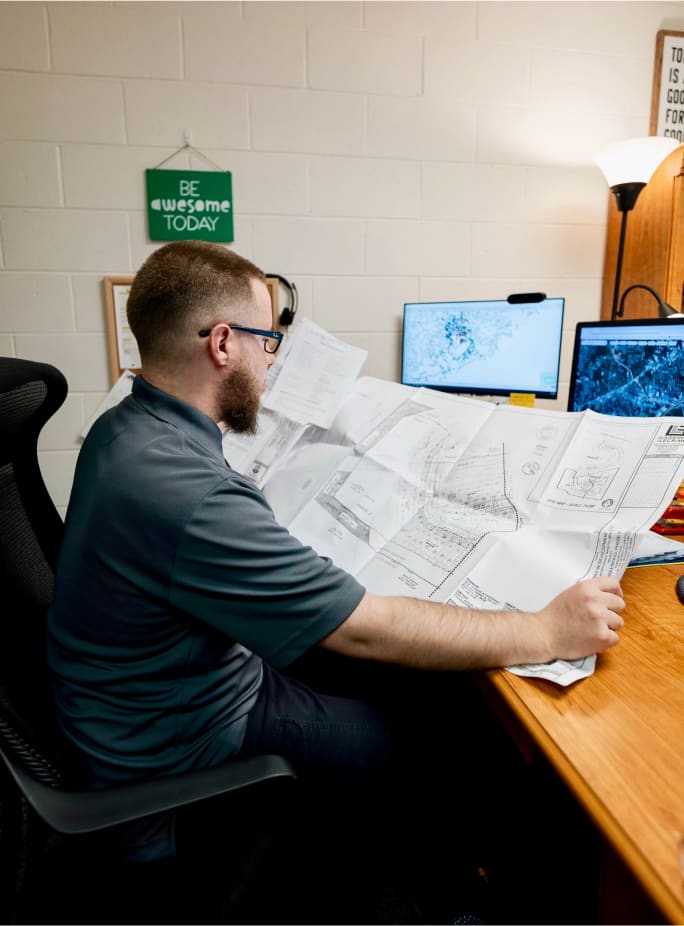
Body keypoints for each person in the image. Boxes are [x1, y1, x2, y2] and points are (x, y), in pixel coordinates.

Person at [46, 240, 625, 921]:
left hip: (155, 700)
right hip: (189, 749)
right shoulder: (183, 489)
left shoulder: (124, 427)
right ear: (224, 344)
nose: (273, 362)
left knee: (432, 693)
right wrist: (544, 630)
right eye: (269, 341)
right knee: (451, 743)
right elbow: (365, 629)